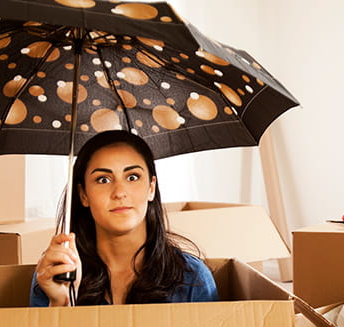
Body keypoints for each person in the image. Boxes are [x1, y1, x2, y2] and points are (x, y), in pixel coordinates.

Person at [30, 130, 218, 306]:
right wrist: (61, 302)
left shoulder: (192, 278)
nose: (119, 193)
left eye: (133, 177)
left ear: (151, 187)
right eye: (103, 179)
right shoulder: (56, 273)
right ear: (83, 195)